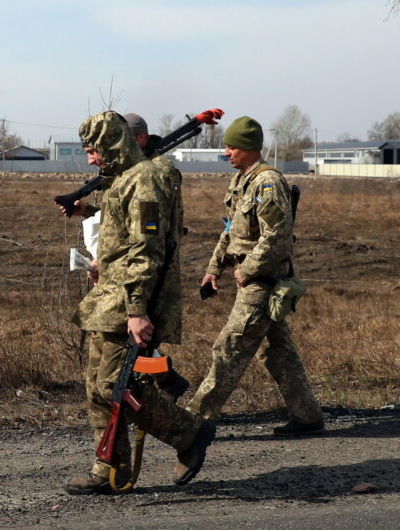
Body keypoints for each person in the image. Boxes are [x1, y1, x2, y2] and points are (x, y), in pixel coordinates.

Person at [66, 110, 214, 495]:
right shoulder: (122, 181)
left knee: (116, 383)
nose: (90, 159)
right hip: (108, 297)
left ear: (113, 144)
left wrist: (137, 310)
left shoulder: (144, 180)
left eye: (94, 149)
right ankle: (109, 468)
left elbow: (145, 251)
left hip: (127, 301)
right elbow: (121, 236)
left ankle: (189, 433)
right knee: (97, 387)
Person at [186, 116, 325, 436]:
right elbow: (231, 230)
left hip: (262, 282)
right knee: (278, 352)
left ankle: (192, 423)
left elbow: (277, 237)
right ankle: (307, 417)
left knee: (230, 347)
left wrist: (246, 271)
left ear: (249, 148)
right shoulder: (242, 181)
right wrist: (213, 268)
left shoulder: (268, 183)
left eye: (231, 146)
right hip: (250, 278)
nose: (226, 152)